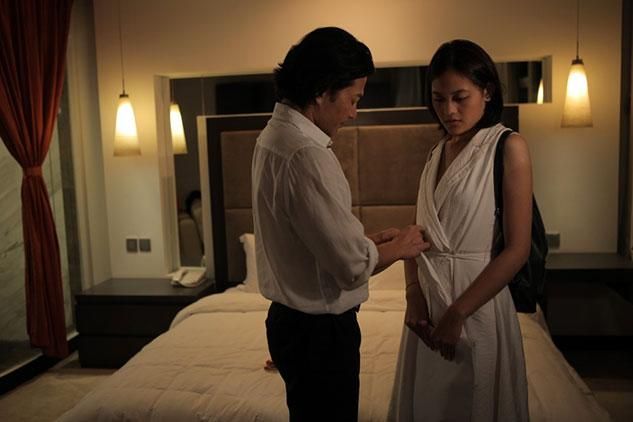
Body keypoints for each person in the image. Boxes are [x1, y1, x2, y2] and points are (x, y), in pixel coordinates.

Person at [252, 27, 430, 422]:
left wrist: (366, 242)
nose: (353, 113)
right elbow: (350, 267)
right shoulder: (306, 155)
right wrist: (399, 247)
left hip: (287, 324)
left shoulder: (271, 138)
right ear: (322, 91)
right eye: (353, 99)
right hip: (319, 334)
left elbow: (304, 238)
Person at [389, 39, 531, 421]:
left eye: (459, 97)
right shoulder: (436, 153)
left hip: (476, 302)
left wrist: (458, 313)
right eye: (438, 99)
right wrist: (413, 294)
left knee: (475, 402)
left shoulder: (508, 147)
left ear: (487, 92)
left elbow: (517, 249)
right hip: (428, 310)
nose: (448, 110)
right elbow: (417, 235)